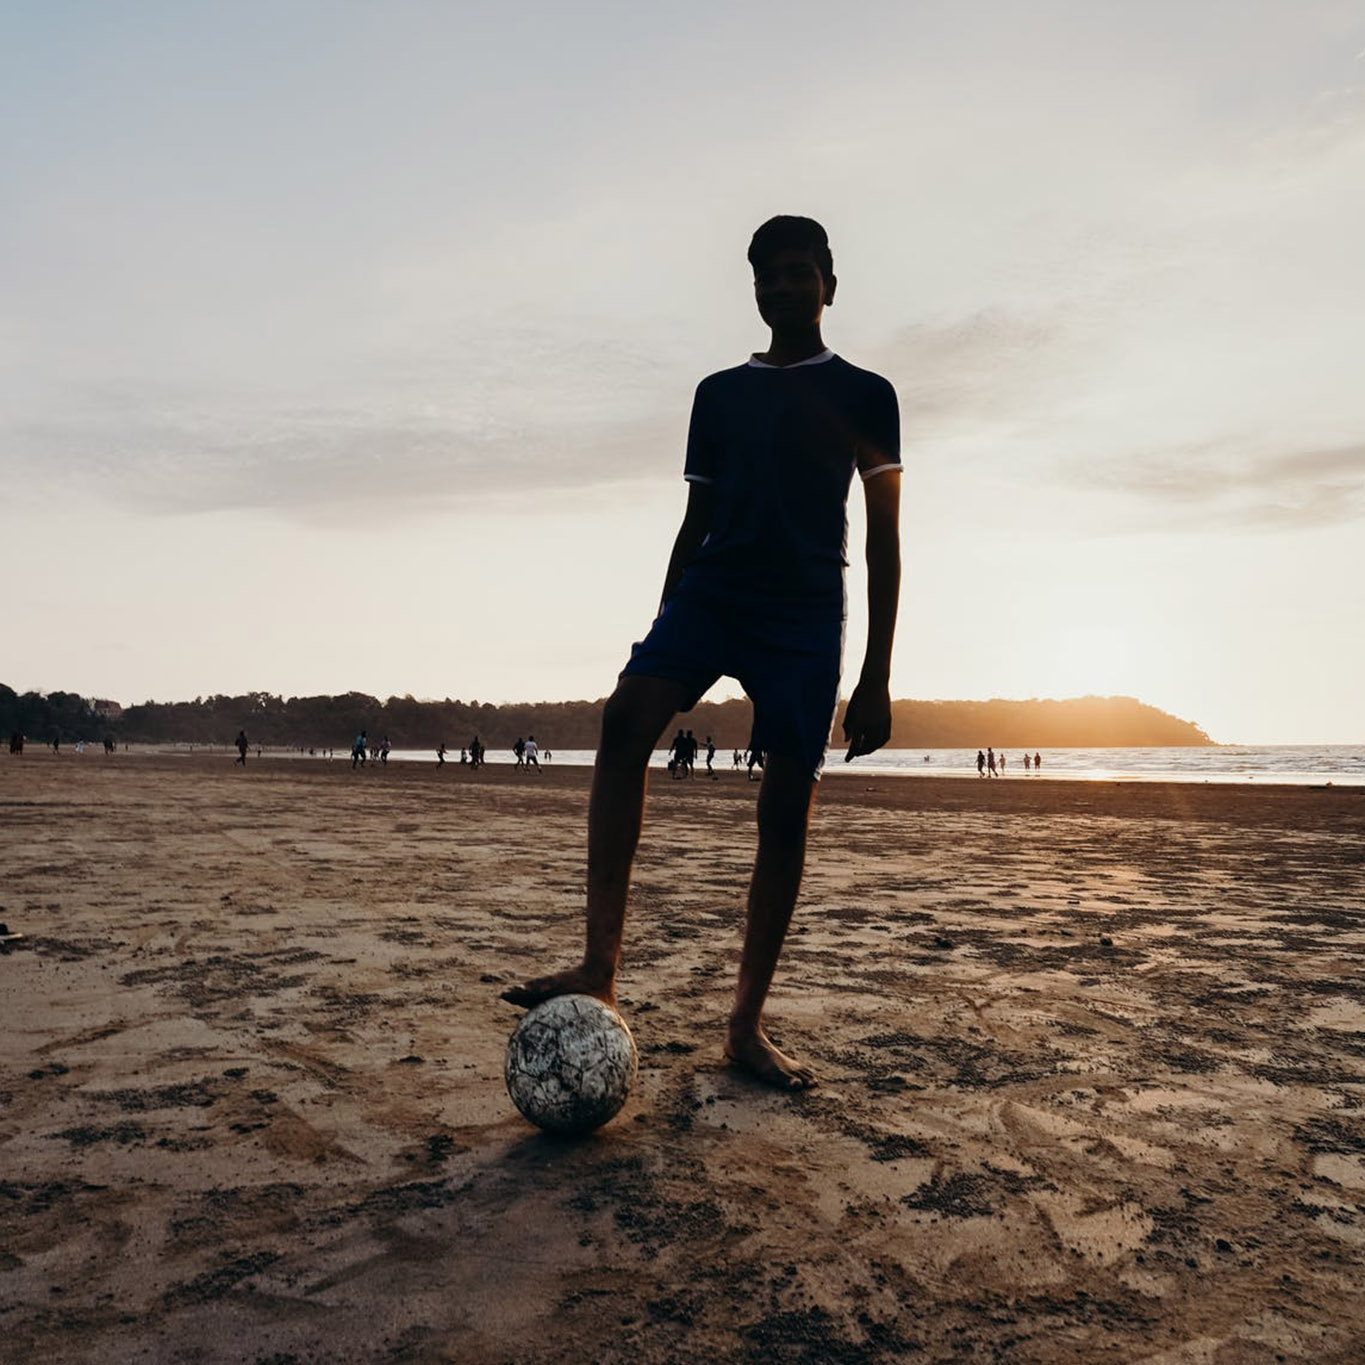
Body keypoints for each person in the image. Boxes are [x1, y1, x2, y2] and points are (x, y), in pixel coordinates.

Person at [503, 215, 901, 1090]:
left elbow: (883, 540)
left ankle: (744, 1026)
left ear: (829, 285)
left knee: (785, 804)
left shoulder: (867, 394)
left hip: (804, 609)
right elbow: (694, 521)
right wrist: (663, 625)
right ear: (751, 289)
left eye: (798, 273)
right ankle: (597, 965)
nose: (781, 288)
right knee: (624, 717)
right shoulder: (718, 393)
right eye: (766, 276)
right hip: (713, 592)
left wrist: (873, 675)